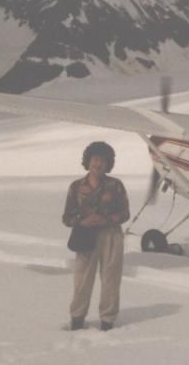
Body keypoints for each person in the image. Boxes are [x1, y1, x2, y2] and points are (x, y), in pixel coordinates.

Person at [62, 141, 130, 331]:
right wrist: (81, 221)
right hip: (85, 236)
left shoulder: (115, 185)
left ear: (108, 163)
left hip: (111, 236)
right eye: (95, 159)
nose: (98, 164)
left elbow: (125, 213)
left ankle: (107, 320)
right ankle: (77, 318)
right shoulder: (76, 187)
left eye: (103, 160)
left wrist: (105, 219)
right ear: (88, 161)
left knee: (111, 279)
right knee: (82, 280)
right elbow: (67, 217)